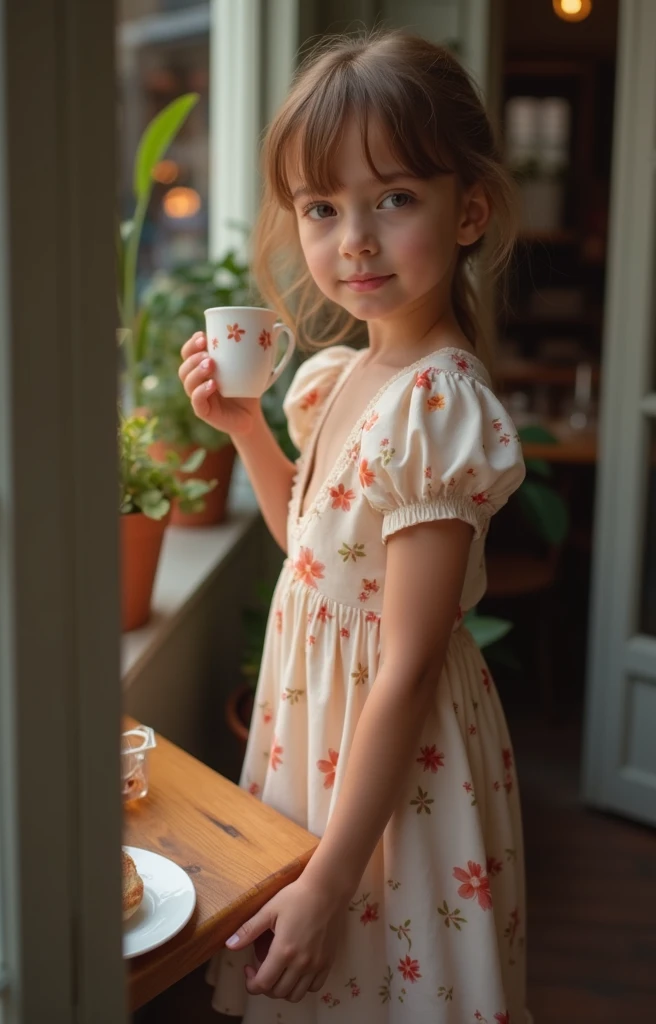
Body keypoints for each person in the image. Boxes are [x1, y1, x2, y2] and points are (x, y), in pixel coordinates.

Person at [179, 29, 529, 1024]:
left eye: (393, 199)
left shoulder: (437, 406)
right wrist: (244, 426)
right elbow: (314, 549)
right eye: (322, 208)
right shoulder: (345, 374)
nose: (355, 239)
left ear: (467, 210)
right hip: (324, 733)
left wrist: (331, 878)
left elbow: (407, 664)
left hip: (394, 764)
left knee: (387, 976)